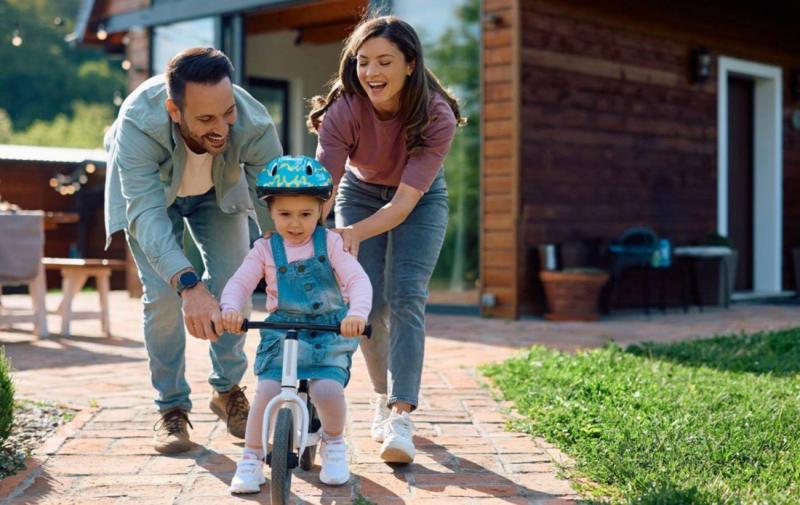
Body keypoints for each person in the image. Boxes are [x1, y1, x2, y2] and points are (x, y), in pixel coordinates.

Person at [103, 47, 282, 453]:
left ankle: (228, 390)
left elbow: (274, 201)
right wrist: (189, 286)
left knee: (236, 280)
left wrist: (290, 264)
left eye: (227, 113)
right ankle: (171, 408)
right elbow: (146, 213)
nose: (221, 128)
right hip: (152, 202)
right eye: (206, 119)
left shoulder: (251, 122)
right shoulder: (138, 122)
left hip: (216, 194)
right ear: (174, 110)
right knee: (165, 297)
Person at [308, 15, 465, 464]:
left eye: (384, 62)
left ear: (410, 64)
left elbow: (402, 206)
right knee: (368, 302)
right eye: (363, 62)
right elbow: (327, 186)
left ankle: (400, 415)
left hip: (419, 199)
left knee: (406, 295)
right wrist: (309, 228)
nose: (372, 73)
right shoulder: (343, 110)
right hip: (358, 192)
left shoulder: (436, 114)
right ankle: (381, 396)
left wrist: (352, 233)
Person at [219, 155, 372, 493]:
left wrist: (356, 314)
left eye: (306, 214)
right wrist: (230, 307)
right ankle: (252, 457)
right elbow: (240, 282)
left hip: (329, 331)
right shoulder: (264, 249)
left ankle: (333, 442)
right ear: (270, 211)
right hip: (283, 332)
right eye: (285, 214)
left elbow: (358, 281)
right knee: (267, 392)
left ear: (321, 210)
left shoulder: (331, 243)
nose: (295, 223)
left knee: (326, 389)